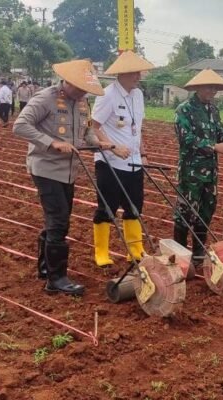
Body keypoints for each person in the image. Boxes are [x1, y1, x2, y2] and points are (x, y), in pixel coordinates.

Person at [13, 59, 105, 295]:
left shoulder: (82, 102)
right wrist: (51, 142)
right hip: (46, 168)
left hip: (68, 171)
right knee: (59, 221)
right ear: (69, 82)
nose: (84, 92)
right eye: (81, 87)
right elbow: (20, 125)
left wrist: (98, 144)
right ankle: (57, 280)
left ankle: (45, 268)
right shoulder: (46, 98)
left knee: (57, 219)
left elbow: (86, 131)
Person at [90, 50, 154, 268]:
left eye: (139, 72)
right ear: (122, 74)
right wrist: (113, 147)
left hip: (134, 162)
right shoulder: (106, 95)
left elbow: (138, 129)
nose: (138, 76)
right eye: (134, 73)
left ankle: (135, 250)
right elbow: (93, 126)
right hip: (110, 162)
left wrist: (143, 153)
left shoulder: (138, 95)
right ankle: (102, 253)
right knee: (107, 208)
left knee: (134, 207)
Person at [173, 69, 223, 273]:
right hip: (191, 172)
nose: (213, 91)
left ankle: (199, 255)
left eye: (215, 88)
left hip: (210, 172)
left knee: (206, 210)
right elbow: (186, 138)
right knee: (185, 212)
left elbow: (221, 134)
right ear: (198, 88)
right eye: (209, 87)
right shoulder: (184, 110)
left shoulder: (213, 110)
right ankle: (181, 258)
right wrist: (213, 147)